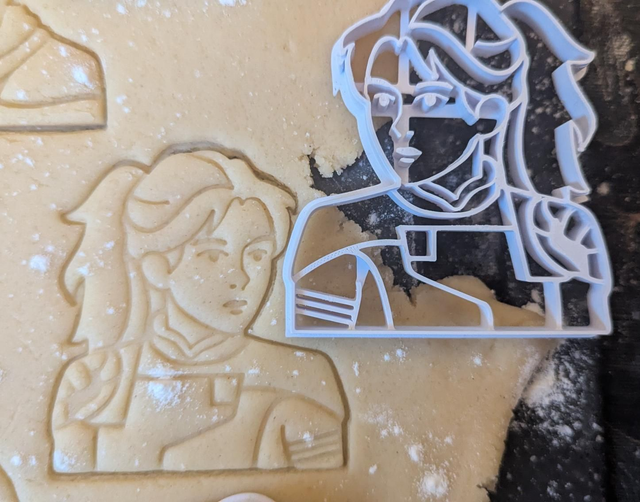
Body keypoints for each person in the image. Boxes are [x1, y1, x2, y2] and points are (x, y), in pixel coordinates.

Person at [283, 0, 612, 337]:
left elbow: (575, 312)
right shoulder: (336, 231)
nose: (399, 127)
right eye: (383, 102)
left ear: (490, 112)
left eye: (429, 101)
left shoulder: (556, 234)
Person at [51, 148, 346, 472]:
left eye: (257, 255)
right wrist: (75, 439)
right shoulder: (101, 384)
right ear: (158, 268)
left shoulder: (302, 376)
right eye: (213, 255)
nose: (241, 277)